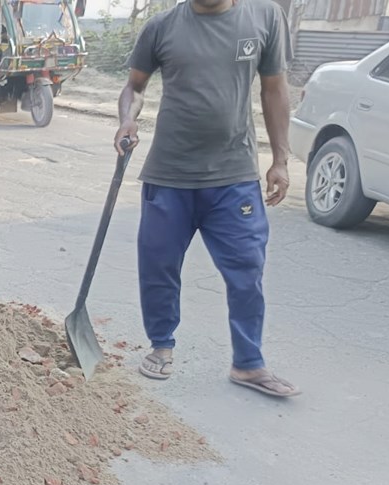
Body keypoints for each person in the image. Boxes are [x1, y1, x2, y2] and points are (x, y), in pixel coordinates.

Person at [115, 0, 299, 397]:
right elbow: (135, 86)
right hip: (169, 174)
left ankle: (248, 364)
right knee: (159, 265)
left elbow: (274, 89)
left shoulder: (265, 17)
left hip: (234, 176)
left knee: (247, 269)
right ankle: (161, 344)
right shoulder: (161, 27)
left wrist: (281, 159)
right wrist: (127, 118)